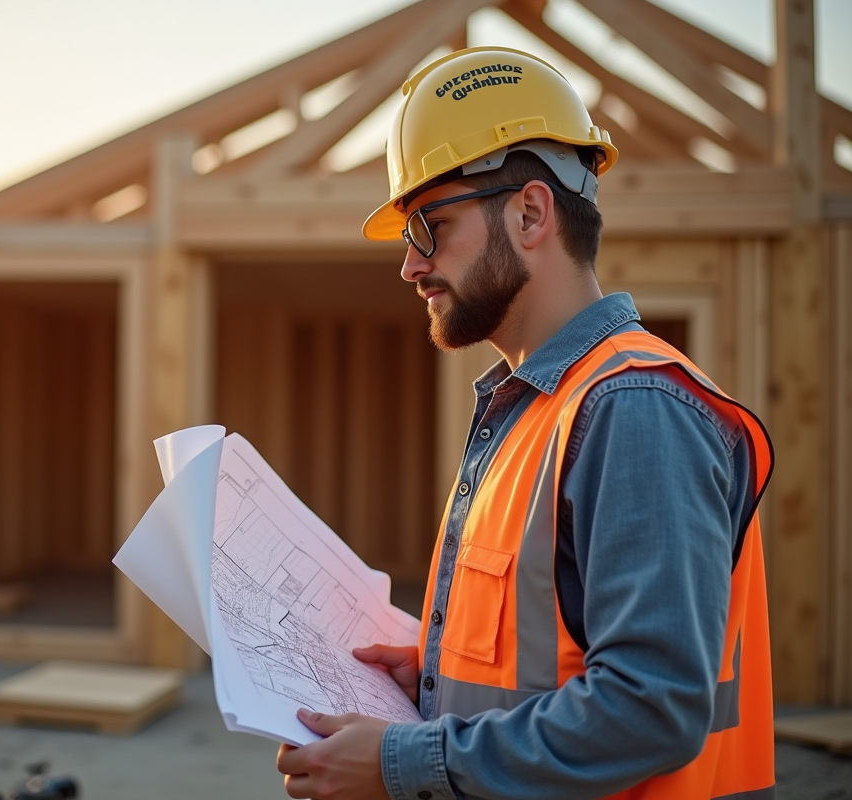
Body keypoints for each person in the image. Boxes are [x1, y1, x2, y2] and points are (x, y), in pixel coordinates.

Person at [275, 46, 775, 800]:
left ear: (531, 213)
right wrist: (435, 680)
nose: (411, 266)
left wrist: (398, 764)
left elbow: (652, 709)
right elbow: (546, 660)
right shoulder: (533, 411)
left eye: (429, 226)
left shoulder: (631, 408)